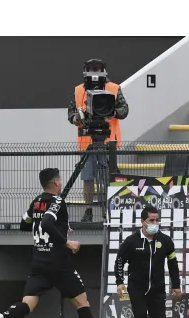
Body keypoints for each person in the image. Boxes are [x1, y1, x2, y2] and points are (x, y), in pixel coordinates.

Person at [0, 168, 119, 318]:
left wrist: (59, 226)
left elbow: (25, 224)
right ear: (56, 182)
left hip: (38, 262)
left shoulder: (37, 202)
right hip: (58, 263)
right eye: (60, 179)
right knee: (82, 303)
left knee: (27, 305)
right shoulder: (57, 201)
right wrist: (67, 242)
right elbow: (48, 223)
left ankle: (5, 316)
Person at [114, 205, 182, 318]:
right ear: (142, 222)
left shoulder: (165, 241)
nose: (154, 223)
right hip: (137, 286)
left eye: (157, 220)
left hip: (157, 288)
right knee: (140, 317)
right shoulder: (132, 241)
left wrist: (176, 285)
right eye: (151, 220)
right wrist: (119, 282)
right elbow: (119, 260)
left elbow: (173, 263)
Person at [67, 58, 129, 222]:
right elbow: (70, 115)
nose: (95, 73)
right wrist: (78, 117)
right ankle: (88, 211)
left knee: (106, 176)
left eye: (97, 69)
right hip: (87, 140)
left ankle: (107, 210)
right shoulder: (79, 90)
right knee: (88, 177)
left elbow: (124, 110)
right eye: (91, 69)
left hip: (108, 142)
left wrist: (111, 111)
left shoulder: (114, 88)